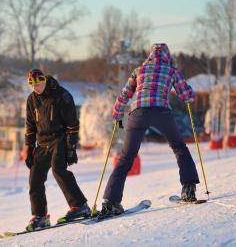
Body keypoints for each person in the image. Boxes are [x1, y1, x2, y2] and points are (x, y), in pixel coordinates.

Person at [99, 43, 200, 217]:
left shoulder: (139, 70)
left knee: (126, 157)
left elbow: (124, 94)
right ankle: (189, 190)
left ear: (150, 55)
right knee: (179, 148)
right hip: (161, 112)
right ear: (168, 56)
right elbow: (187, 95)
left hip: (138, 113)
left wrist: (117, 114)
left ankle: (111, 202)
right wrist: (189, 97)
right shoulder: (171, 70)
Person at [24, 69, 91, 231]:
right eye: (32, 86)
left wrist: (71, 147)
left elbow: (73, 125)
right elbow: (30, 126)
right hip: (42, 143)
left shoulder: (62, 95)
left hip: (59, 139)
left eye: (38, 84)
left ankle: (80, 206)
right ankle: (40, 216)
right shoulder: (32, 99)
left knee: (58, 170)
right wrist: (29, 148)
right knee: (35, 177)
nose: (36, 88)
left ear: (44, 80)